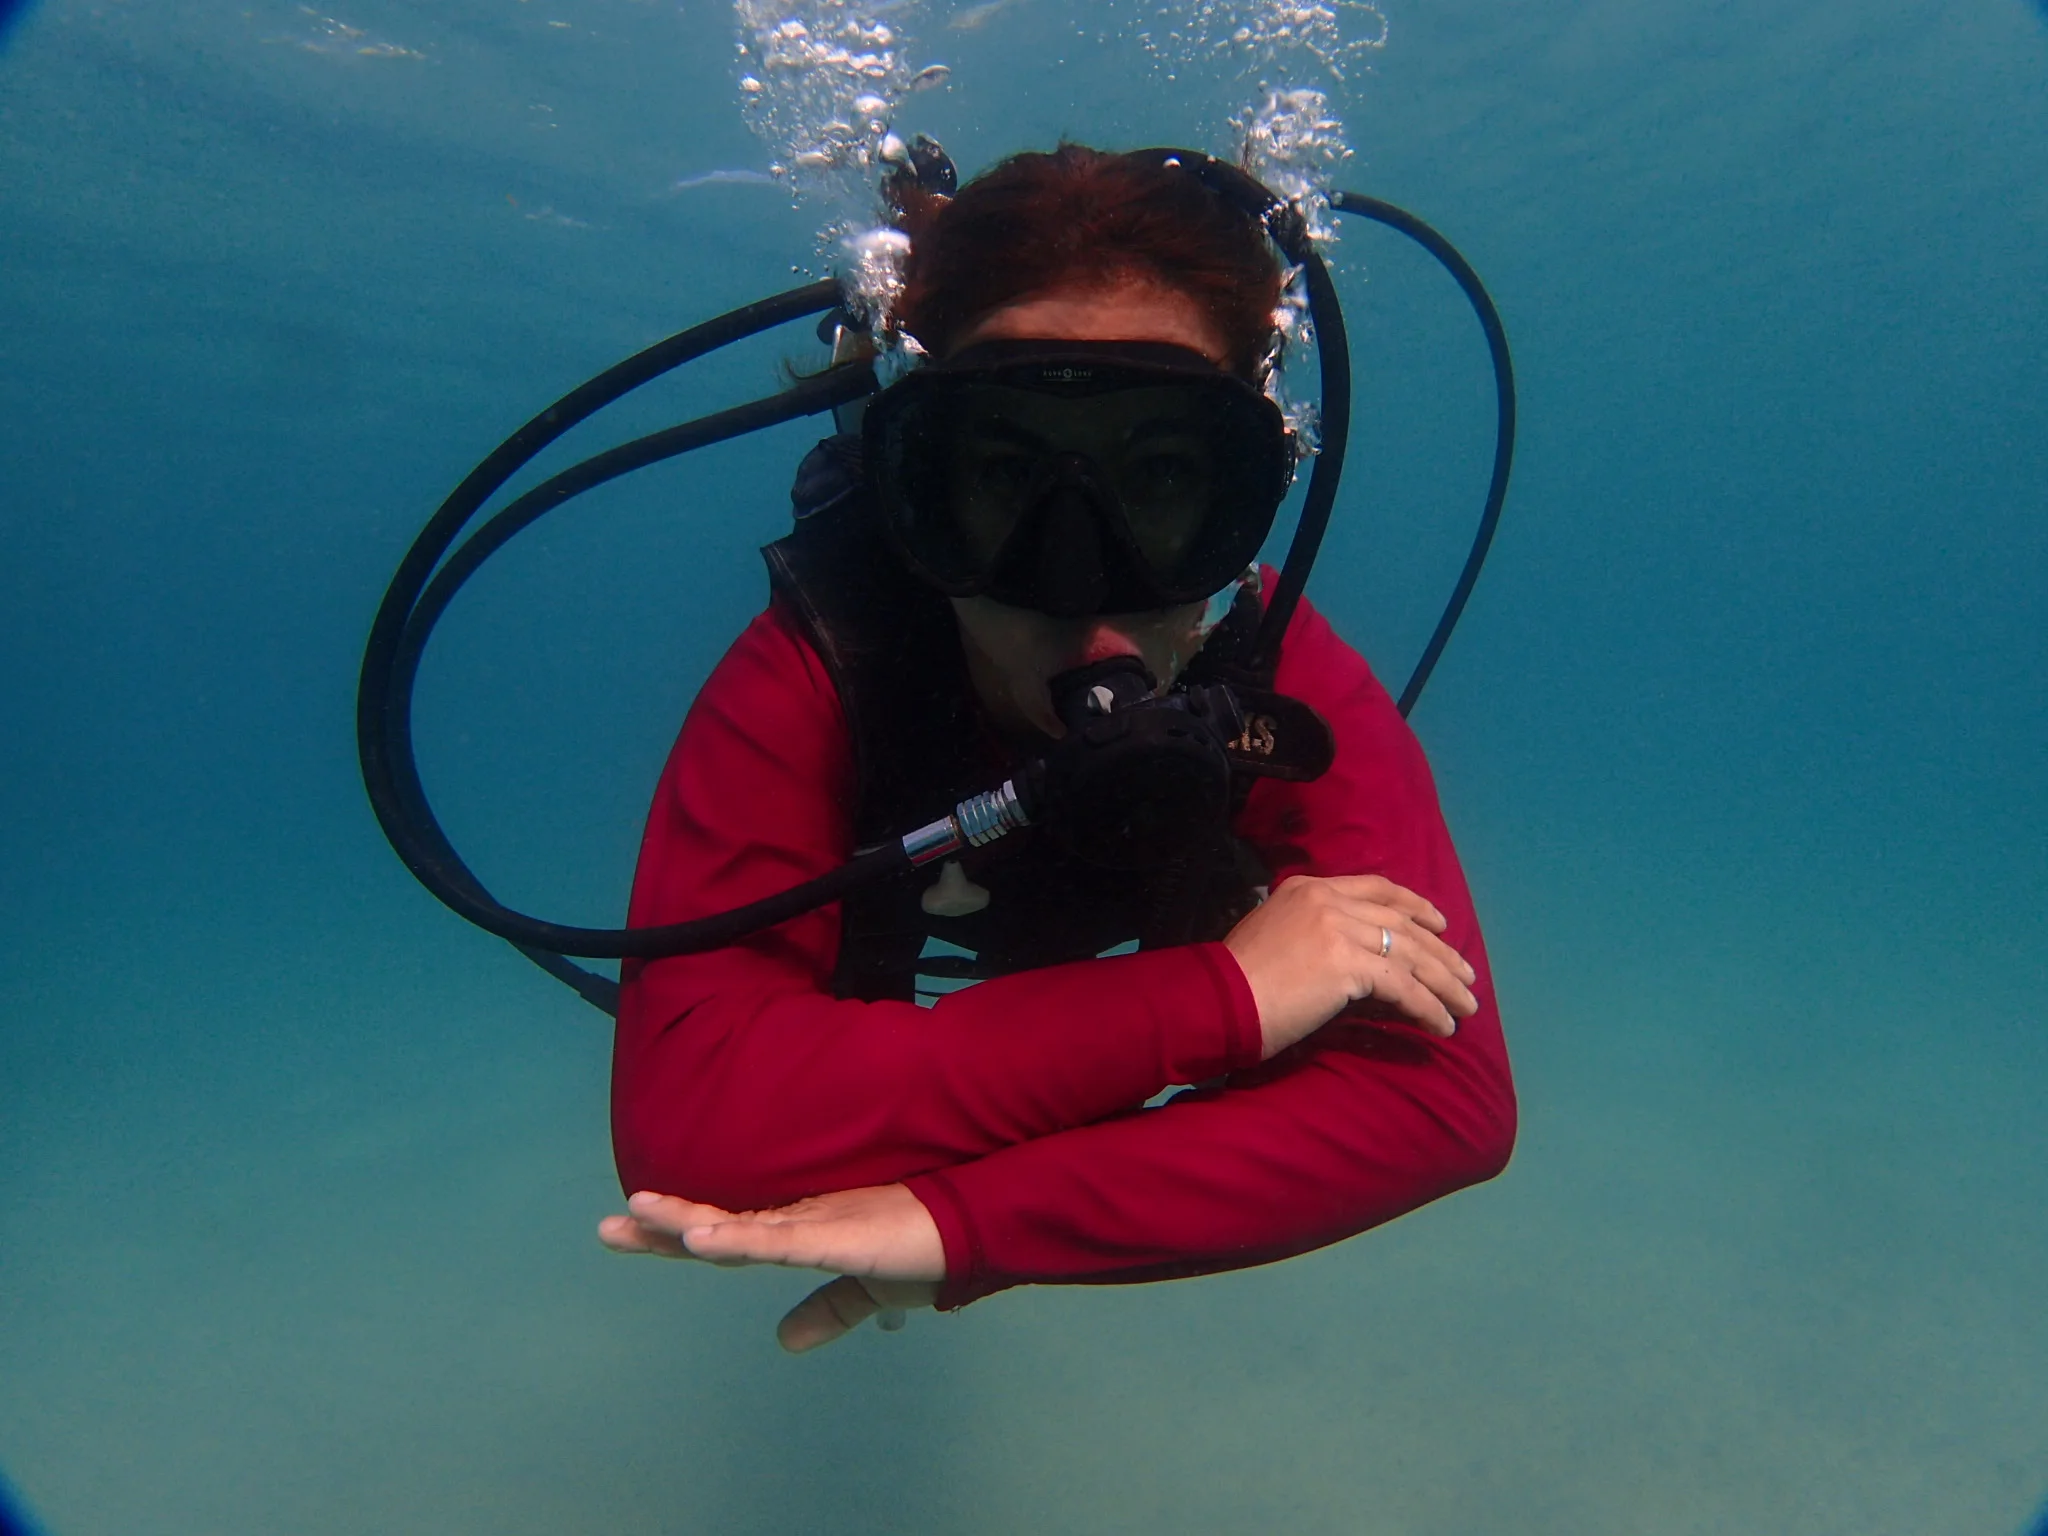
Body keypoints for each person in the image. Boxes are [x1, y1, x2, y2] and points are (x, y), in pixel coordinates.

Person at [596, 144, 1516, 1352]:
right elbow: (692, 1126)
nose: (1081, 586)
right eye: (993, 476)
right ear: (908, 494)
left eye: (1168, 477)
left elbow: (1442, 1100)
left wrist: (963, 1226)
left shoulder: (1265, 663)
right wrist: (1224, 996)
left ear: (1253, 497)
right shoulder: (828, 663)